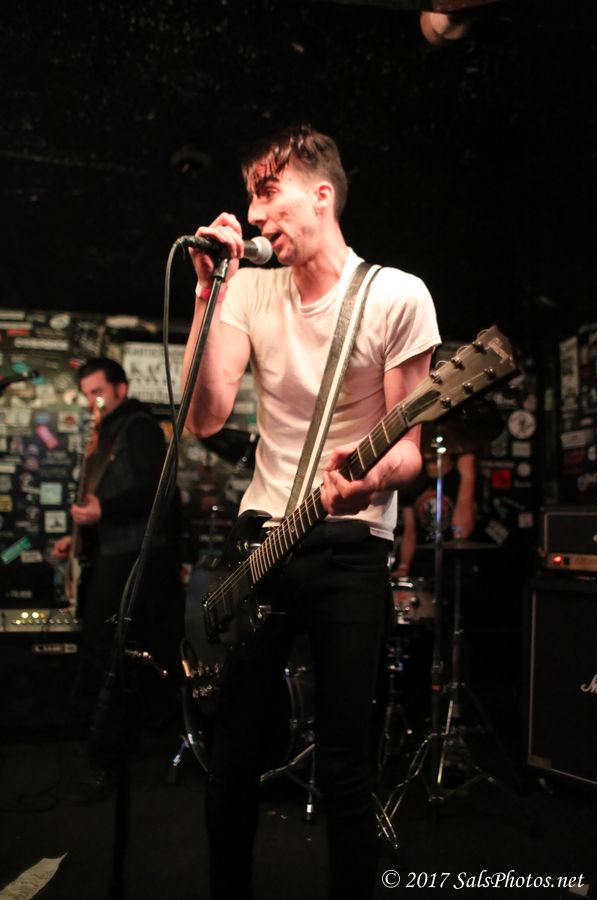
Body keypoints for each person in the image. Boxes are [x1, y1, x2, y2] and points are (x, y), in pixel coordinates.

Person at [180, 123, 440, 900]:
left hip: (351, 544)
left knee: (345, 766)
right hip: (261, 539)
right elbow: (204, 417)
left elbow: (411, 453)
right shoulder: (248, 288)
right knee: (231, 758)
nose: (254, 213)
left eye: (268, 192)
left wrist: (369, 479)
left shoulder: (397, 295)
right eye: (250, 195)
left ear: (322, 195)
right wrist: (207, 292)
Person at [54, 357, 183, 804]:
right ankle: (104, 747)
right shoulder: (107, 431)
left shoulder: (139, 428)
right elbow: (104, 493)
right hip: (112, 551)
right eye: (87, 394)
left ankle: (110, 756)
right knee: (102, 650)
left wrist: (103, 511)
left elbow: (155, 490)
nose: (93, 401)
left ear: (121, 389)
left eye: (99, 392)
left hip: (134, 558)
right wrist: (79, 538)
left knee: (110, 652)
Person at [392, 450, 478, 580]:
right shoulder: (415, 481)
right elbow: (410, 531)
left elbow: (461, 532)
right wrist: (404, 566)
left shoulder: (462, 478)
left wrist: (468, 475)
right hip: (420, 564)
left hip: (453, 567)